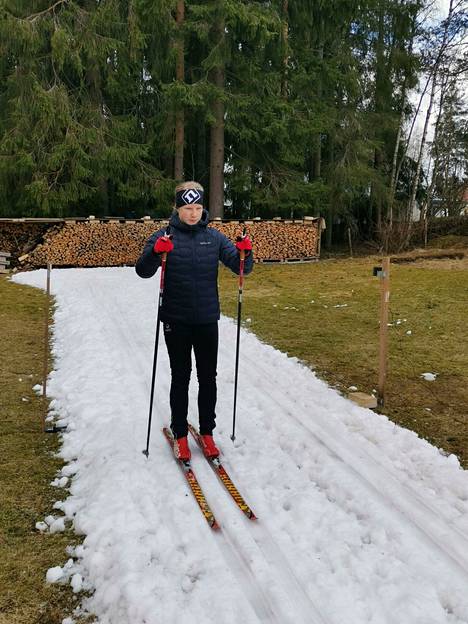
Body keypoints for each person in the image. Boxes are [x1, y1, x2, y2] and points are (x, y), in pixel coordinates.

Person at [135, 181, 253, 461]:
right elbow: (142, 271)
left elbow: (241, 267)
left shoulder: (213, 238)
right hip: (176, 318)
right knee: (181, 376)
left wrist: (245, 252)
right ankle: (180, 435)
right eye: (187, 208)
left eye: (198, 208)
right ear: (177, 208)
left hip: (206, 319)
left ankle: (208, 432)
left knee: (208, 377)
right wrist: (155, 252)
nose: (193, 213)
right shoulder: (164, 235)